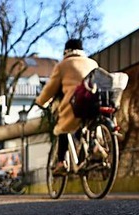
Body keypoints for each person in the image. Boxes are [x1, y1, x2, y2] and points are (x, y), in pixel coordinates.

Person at [35, 38, 99, 175]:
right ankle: (95, 148)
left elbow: (50, 88)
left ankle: (61, 163)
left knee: (62, 128)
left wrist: (41, 102)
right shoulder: (92, 63)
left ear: (66, 51)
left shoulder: (63, 65)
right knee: (87, 128)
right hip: (95, 102)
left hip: (76, 103)